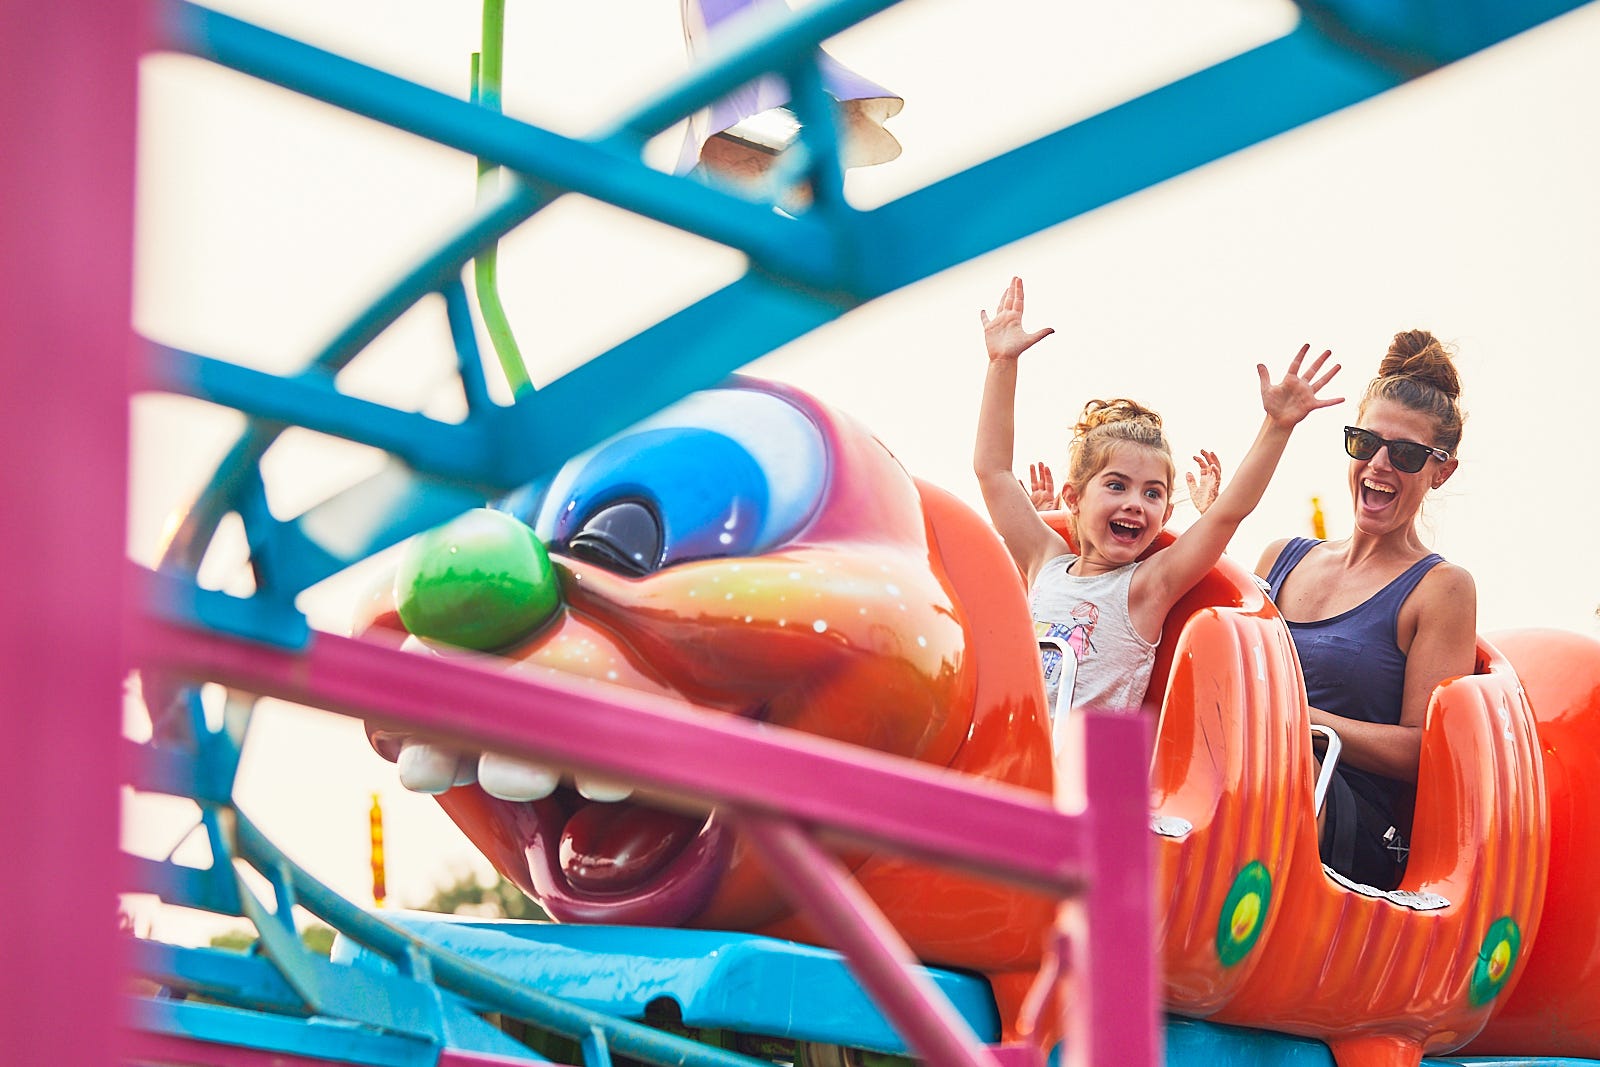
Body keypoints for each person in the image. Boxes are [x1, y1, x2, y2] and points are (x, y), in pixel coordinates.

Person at [973, 276, 1342, 728]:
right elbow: (993, 471)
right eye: (1116, 486)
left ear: (1166, 514)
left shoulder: (1147, 587)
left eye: (1152, 494)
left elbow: (1228, 513)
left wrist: (1278, 426)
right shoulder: (1044, 560)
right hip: (1010, 747)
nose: (1135, 504)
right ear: (1072, 497)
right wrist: (1002, 362)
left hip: (1079, 781)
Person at [1256, 328, 1475, 891]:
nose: (1379, 464)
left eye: (1404, 454)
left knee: (1274, 775)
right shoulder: (1281, 557)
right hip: (1252, 772)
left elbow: (1423, 752)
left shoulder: (1441, 588)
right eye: (1364, 442)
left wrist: (1298, 721)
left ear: (1440, 470)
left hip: (1349, 814)